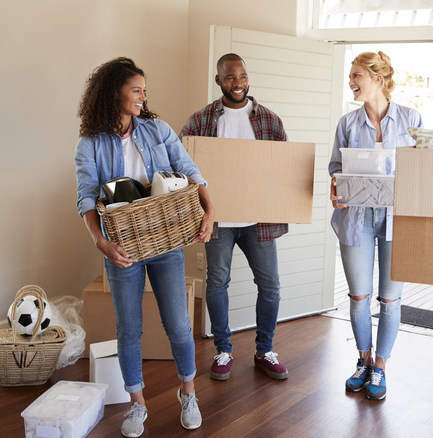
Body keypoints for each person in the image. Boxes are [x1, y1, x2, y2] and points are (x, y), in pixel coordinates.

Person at [74, 57, 215, 437]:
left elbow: (189, 171)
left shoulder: (158, 130)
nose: (142, 97)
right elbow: (87, 199)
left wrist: (209, 210)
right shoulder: (89, 144)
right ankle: (137, 405)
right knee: (128, 329)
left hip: (164, 239)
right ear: (113, 92)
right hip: (121, 247)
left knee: (179, 325)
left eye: (143, 91)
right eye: (136, 90)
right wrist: (102, 243)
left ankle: (188, 393)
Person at [179, 53, 290, 382]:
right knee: (217, 283)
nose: (237, 83)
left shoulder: (269, 120)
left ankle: (264, 351)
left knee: (270, 286)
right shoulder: (201, 121)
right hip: (218, 221)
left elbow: (284, 166)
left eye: (242, 76)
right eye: (229, 78)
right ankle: (223, 350)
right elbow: (182, 164)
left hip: (259, 221)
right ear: (218, 81)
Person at [328, 51, 423, 400]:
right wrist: (336, 189)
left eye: (356, 76)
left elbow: (423, 169)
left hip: (398, 218)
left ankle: (380, 368)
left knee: (391, 299)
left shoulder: (412, 119)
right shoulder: (348, 124)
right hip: (356, 217)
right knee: (358, 297)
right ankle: (363, 361)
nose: (351, 82)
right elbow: (335, 168)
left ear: (377, 79)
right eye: (350, 76)